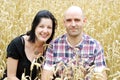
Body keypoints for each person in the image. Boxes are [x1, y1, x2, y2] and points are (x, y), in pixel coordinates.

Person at [41, 6, 107, 80]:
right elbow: (45, 77)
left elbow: (101, 77)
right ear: (64, 23)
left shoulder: (95, 46)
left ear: (84, 21)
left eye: (77, 20)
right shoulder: (53, 46)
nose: (73, 24)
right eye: (69, 20)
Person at [1, 10, 57, 80]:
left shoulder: (51, 49)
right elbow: (11, 76)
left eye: (49, 27)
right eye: (41, 26)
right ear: (34, 27)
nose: (45, 31)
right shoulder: (17, 44)